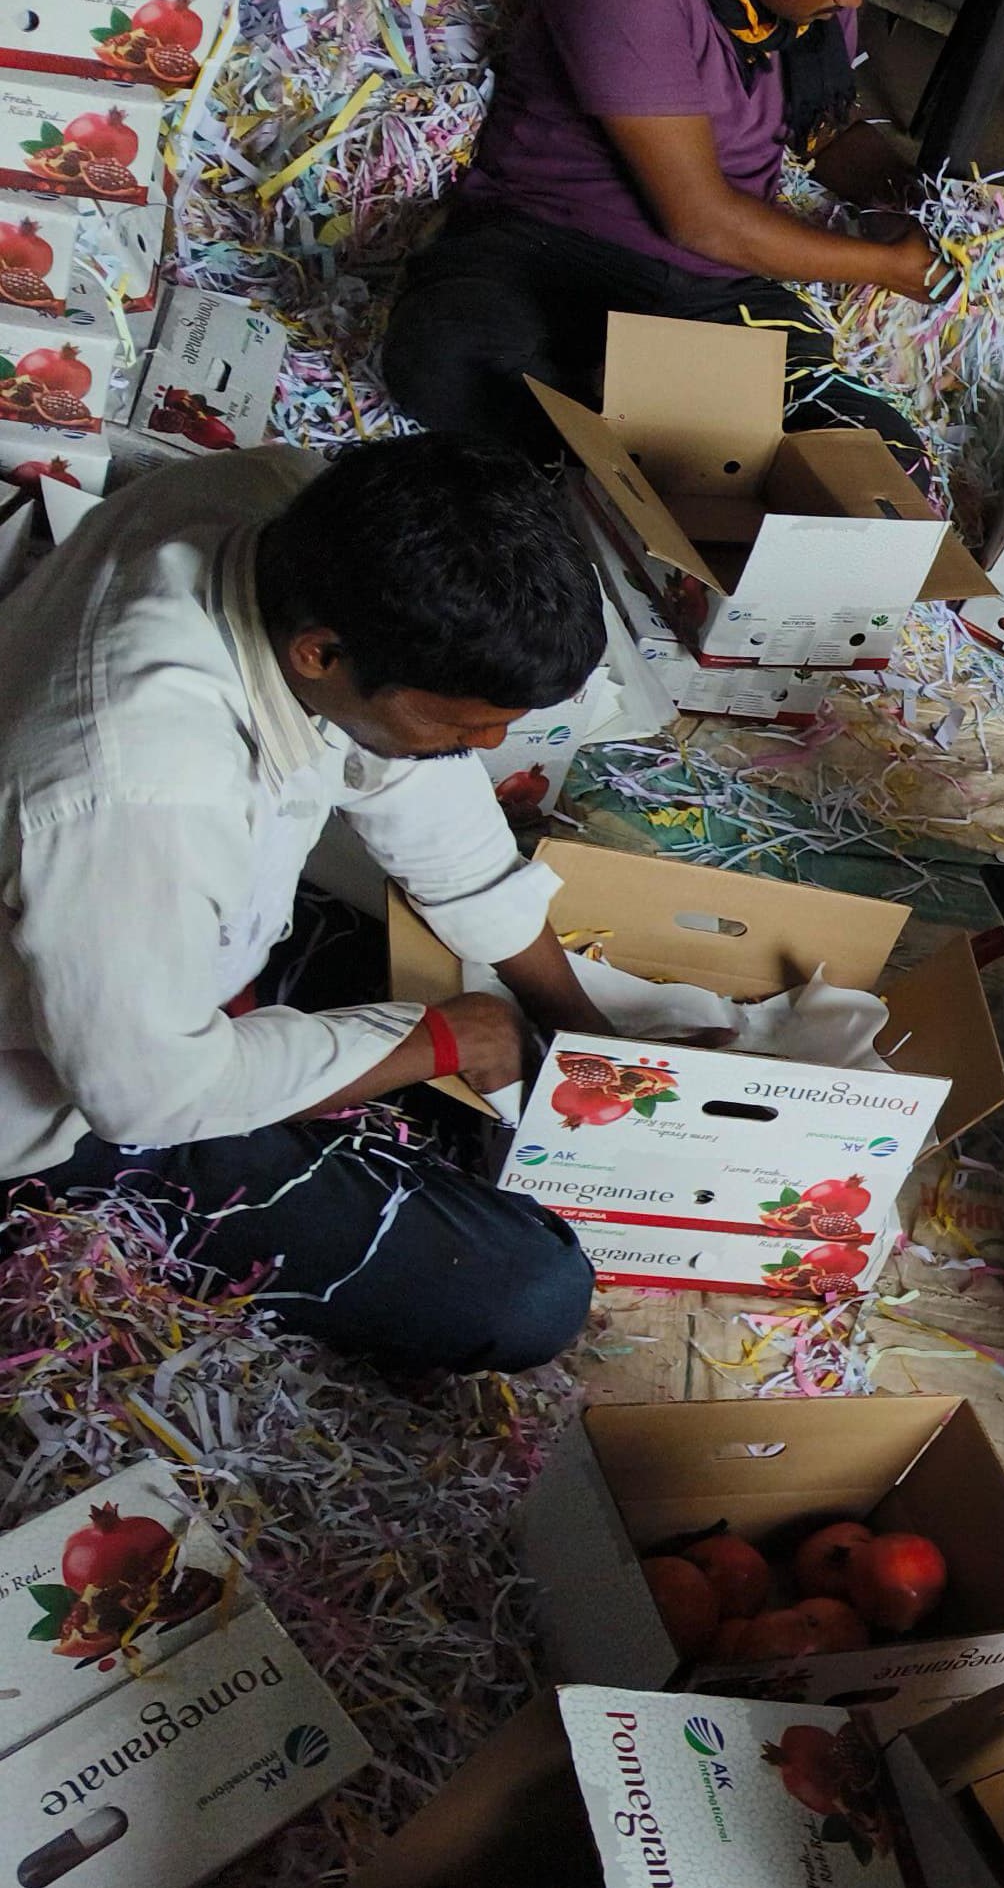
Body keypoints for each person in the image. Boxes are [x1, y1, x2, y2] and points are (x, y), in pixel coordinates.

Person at [0, 437, 616, 1373]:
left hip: (151, 943)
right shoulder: (145, 794)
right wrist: (437, 1041)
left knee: (447, 1008)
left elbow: (427, 793)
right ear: (321, 653)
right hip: (58, 1093)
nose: (489, 744)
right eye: (464, 724)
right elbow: (148, 1094)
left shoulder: (294, 511)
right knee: (526, 1291)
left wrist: (578, 1020)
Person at [380, 0, 946, 484]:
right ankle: (627, 452)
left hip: (707, 290)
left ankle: (640, 439)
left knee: (883, 463)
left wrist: (907, 202)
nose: (854, 2)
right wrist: (884, 268)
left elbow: (826, 130)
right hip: (550, 249)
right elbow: (698, 219)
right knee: (445, 354)